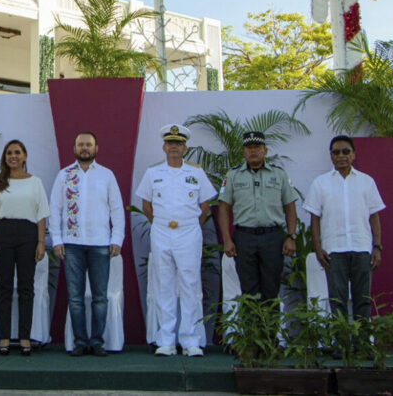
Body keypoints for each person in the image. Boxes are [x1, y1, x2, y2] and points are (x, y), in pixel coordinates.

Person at [135, 124, 216, 357]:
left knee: (190, 285)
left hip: (189, 231)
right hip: (161, 231)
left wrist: (189, 226)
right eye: (170, 143)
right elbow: (146, 206)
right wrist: (162, 224)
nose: (173, 147)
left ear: (185, 148)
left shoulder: (196, 172)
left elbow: (205, 207)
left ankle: (191, 340)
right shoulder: (153, 172)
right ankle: (166, 340)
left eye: (178, 144)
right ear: (163, 147)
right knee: (164, 285)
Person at [49, 131, 124, 357]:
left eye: (88, 144)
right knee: (75, 297)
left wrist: (117, 238)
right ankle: (80, 341)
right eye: (80, 144)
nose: (84, 148)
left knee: (100, 297)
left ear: (96, 148)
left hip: (101, 244)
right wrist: (57, 240)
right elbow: (55, 209)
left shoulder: (106, 175)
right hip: (71, 245)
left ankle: (98, 342)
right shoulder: (64, 175)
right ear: (74, 148)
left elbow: (117, 209)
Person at [303, 135, 385, 325]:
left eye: (346, 151)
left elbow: (374, 216)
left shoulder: (367, 182)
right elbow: (314, 219)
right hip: (334, 250)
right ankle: (340, 345)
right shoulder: (320, 183)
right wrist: (317, 248)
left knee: (362, 300)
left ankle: (362, 344)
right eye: (336, 152)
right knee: (337, 300)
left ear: (354, 154)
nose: (341, 156)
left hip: (361, 248)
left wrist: (377, 246)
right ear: (330, 156)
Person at [0, 139, 50, 356]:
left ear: (25, 156)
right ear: (5, 157)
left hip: (27, 235)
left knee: (26, 288)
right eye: (9, 153)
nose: (13, 156)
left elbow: (41, 215)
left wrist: (41, 242)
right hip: (3, 233)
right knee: (3, 287)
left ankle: (24, 338)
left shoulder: (35, 182)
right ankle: (4, 337)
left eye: (17, 152)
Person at [218, 131, 298, 303]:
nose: (253, 151)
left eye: (257, 147)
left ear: (265, 151)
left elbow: (290, 206)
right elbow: (224, 208)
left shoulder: (279, 175)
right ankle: (251, 330)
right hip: (244, 239)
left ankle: (269, 330)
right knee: (248, 292)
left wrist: (291, 236)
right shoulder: (232, 175)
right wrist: (227, 240)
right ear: (243, 151)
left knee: (271, 290)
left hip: (272, 238)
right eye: (249, 147)